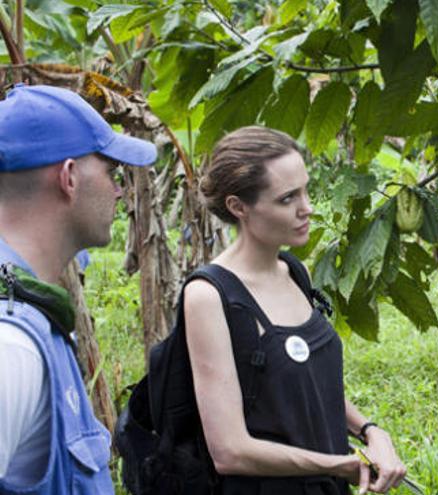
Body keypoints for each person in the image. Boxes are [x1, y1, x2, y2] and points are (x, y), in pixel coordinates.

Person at [185, 125, 406, 494]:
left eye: (305, 190)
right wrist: (337, 465)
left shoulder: (293, 271)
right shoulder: (210, 296)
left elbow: (307, 385)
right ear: (238, 207)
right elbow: (229, 451)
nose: (308, 208)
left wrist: (370, 431)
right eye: (287, 199)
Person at [0, 84, 156, 493]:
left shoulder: (34, 312)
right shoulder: (12, 343)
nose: (119, 190)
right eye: (110, 171)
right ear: (69, 177)